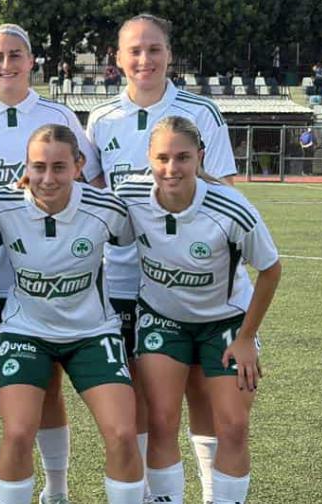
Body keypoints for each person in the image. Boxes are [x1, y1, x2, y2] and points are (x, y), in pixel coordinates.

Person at [85, 13, 238, 504]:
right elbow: (97, 197)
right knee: (142, 395)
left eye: (154, 49)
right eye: (134, 50)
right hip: (123, 279)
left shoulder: (201, 112)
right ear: (117, 58)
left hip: (190, 281)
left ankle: (212, 493)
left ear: (169, 54)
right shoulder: (101, 119)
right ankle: (155, 496)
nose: (144, 59)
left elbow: (225, 194)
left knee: (199, 388)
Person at [0, 23, 101, 504]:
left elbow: (90, 182)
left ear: (32, 60)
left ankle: (55, 490)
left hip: (45, 280)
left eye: (16, 54)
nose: (7, 64)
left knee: (47, 389)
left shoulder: (59, 115)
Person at [116, 116, 281, 504]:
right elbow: (81, 207)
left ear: (200, 157)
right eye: (162, 158)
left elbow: (271, 269)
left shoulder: (230, 207)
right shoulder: (130, 195)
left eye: (182, 157)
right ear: (149, 158)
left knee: (234, 425)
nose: (171, 168)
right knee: (161, 421)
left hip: (225, 322)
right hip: (162, 319)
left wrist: (246, 338)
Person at [0, 124, 143, 504]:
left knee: (122, 434)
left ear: (79, 165)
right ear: (25, 167)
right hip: (26, 330)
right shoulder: (2, 204)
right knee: (17, 433)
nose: (48, 178)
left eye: (59, 167)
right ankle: (55, 493)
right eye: (38, 167)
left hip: (92, 332)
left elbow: (134, 232)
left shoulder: (106, 208)